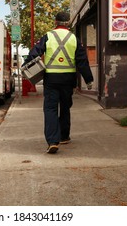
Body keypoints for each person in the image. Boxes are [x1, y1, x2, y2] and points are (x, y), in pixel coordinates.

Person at [22, 11, 93, 154]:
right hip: (68, 79)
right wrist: (89, 79)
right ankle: (64, 136)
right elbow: (82, 60)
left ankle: (53, 141)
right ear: (68, 23)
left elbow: (34, 52)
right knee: (65, 108)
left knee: (50, 109)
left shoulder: (48, 36)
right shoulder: (74, 38)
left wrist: (26, 67)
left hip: (51, 79)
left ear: (55, 22)